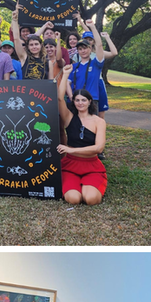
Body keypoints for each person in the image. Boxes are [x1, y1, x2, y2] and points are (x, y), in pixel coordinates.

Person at [56, 65, 108, 206]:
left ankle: (88, 186)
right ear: (73, 102)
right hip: (70, 165)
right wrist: (65, 74)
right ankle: (74, 186)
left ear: (90, 101)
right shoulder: (69, 117)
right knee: (74, 199)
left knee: (91, 199)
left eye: (83, 100)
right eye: (77, 100)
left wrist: (71, 149)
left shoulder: (99, 121)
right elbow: (60, 99)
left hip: (91, 165)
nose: (80, 103)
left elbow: (98, 148)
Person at [67, 18, 118, 118]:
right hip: (77, 100)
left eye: (85, 48)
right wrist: (71, 97)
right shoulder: (74, 66)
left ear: (90, 48)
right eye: (80, 49)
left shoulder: (95, 63)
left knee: (91, 126)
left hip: (92, 99)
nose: (83, 51)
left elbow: (99, 46)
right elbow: (67, 83)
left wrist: (92, 27)